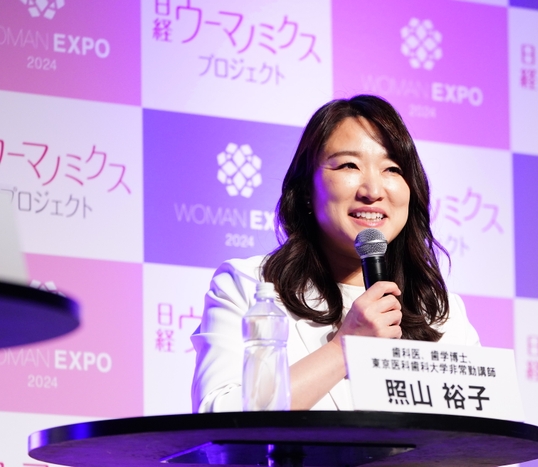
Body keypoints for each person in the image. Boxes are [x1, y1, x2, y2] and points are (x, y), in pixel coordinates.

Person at [191, 95, 480, 412]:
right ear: (306, 189)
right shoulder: (248, 285)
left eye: (392, 169)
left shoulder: (442, 313)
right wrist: (344, 347)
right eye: (349, 165)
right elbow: (220, 416)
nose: (373, 191)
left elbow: (486, 437)